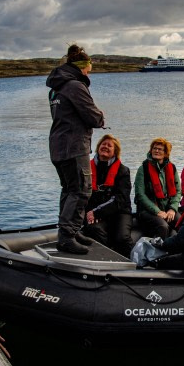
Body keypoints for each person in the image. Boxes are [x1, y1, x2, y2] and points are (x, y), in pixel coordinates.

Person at [46, 44, 106, 254]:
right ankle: (66, 237)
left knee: (69, 189)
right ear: (83, 66)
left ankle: (72, 230)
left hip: (58, 146)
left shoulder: (56, 88)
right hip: (73, 146)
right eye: (89, 68)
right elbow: (92, 116)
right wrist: (100, 117)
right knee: (81, 190)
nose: (90, 72)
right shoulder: (75, 86)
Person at [82, 134, 134, 256]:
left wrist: (98, 212)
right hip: (95, 210)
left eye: (109, 145)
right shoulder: (86, 168)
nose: (105, 146)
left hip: (120, 211)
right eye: (103, 144)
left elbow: (121, 198)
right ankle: (106, 259)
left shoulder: (123, 170)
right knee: (94, 229)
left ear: (115, 152)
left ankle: (134, 264)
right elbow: (82, 194)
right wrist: (91, 212)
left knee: (123, 238)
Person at [134, 138, 182, 238]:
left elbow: (178, 190)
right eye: (154, 148)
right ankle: (160, 251)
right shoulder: (143, 168)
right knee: (163, 226)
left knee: (182, 223)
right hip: (147, 210)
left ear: (166, 153)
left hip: (167, 208)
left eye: (160, 149)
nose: (156, 151)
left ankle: (181, 249)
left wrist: (173, 208)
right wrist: (157, 211)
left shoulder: (172, 168)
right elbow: (140, 194)